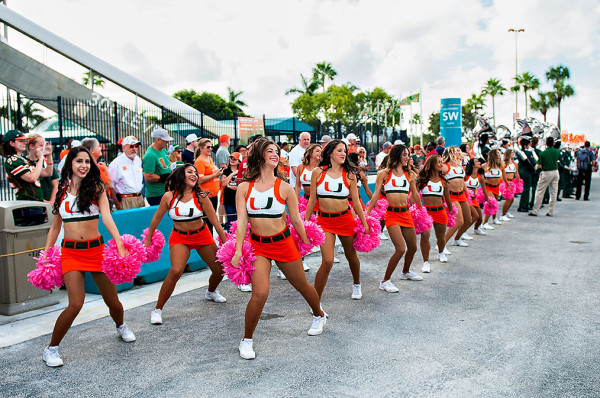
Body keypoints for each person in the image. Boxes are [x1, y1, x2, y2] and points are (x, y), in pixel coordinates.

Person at [232, 137, 326, 360]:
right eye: (270, 151)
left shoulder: (285, 188)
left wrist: (306, 239)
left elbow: (295, 218)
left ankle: (319, 314)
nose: (275, 154)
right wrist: (237, 250)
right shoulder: (244, 187)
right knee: (260, 293)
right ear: (259, 156)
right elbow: (242, 221)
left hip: (283, 244)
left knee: (302, 285)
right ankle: (246, 340)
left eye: (277, 151)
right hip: (258, 247)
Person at [42, 147, 136, 367]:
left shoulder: (96, 187)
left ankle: (121, 325)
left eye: (87, 161)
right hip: (71, 253)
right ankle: (51, 348)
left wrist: (119, 243)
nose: (83, 165)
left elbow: (107, 217)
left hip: (96, 251)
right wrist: (47, 252)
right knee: (75, 303)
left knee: (112, 301)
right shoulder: (62, 189)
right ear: (70, 164)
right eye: (78, 161)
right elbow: (55, 228)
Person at [145, 164, 228, 325]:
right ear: (180, 175)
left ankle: (211, 292)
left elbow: (215, 221)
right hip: (179, 237)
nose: (194, 175)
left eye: (196, 173)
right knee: (176, 270)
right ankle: (157, 309)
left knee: (220, 269)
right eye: (190, 172)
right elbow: (156, 219)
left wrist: (227, 242)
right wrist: (148, 238)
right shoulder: (169, 197)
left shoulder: (202, 196)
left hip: (202, 235)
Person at [304, 139, 370, 301]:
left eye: (344, 151)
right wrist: (306, 223)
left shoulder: (349, 174)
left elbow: (355, 202)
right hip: (324, 222)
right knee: (327, 261)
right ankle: (315, 300)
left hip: (345, 220)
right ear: (330, 153)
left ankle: (356, 283)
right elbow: (312, 200)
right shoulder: (318, 172)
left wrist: (365, 223)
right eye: (339, 150)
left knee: (351, 255)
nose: (343, 154)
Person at [366, 144, 423, 289]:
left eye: (408, 155)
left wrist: (421, 210)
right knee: (400, 248)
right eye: (404, 154)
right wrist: (366, 215)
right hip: (391, 214)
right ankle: (385, 281)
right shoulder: (384, 173)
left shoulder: (409, 173)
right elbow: (376, 195)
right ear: (397, 155)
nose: (407, 158)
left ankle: (405, 272)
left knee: (413, 247)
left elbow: (415, 193)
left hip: (406, 213)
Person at [416, 154, 454, 264]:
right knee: (425, 235)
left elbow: (447, 198)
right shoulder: (422, 179)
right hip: (426, 212)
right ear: (432, 164)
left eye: (442, 161)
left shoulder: (444, 181)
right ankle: (426, 262)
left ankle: (441, 252)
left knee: (441, 237)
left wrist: (451, 211)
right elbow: (414, 194)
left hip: (440, 211)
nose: (441, 164)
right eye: (439, 162)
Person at [2, 130, 53, 202]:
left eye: (24, 141)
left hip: (36, 203)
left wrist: (49, 155)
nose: (25, 143)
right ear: (11, 143)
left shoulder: (24, 160)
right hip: (27, 204)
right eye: (20, 141)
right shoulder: (13, 160)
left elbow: (48, 173)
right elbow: (32, 178)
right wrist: (41, 158)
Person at [442, 146, 472, 247]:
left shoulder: (459, 167)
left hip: (462, 195)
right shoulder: (445, 166)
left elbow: (462, 181)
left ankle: (457, 239)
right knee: (459, 221)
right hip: (451, 196)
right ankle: (441, 244)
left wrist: (467, 192)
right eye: (457, 151)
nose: (459, 153)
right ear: (450, 153)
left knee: (468, 220)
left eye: (459, 151)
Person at [81, 138, 120, 209]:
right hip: (98, 204)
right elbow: (108, 184)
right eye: (98, 146)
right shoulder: (95, 168)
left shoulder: (87, 167)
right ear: (91, 150)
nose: (101, 148)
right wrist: (106, 171)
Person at [194, 138, 222, 233]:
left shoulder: (209, 158)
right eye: (208, 147)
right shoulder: (200, 161)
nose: (210, 149)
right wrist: (215, 175)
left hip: (213, 194)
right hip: (206, 195)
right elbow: (199, 180)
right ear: (201, 148)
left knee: (212, 220)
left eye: (211, 147)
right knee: (208, 221)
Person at [108, 136, 145, 209]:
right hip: (126, 199)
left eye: (136, 146)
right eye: (131, 146)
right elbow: (110, 185)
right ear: (123, 148)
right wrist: (117, 203)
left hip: (140, 198)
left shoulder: (138, 160)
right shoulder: (116, 164)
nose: (134, 148)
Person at [529, 137, 561, 216]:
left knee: (540, 191)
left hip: (546, 172)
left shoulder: (543, 153)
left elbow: (539, 165)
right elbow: (558, 159)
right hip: (555, 172)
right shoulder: (557, 151)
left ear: (546, 143)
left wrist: (535, 168)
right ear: (553, 143)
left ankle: (535, 210)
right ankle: (551, 211)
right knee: (554, 192)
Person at [27, 134, 58, 206]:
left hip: (49, 200)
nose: (43, 148)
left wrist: (51, 202)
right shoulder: (25, 162)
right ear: (31, 146)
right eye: (41, 145)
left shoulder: (46, 162)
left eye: (44, 145)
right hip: (34, 202)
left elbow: (55, 184)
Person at [143, 129, 173, 205]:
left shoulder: (163, 150)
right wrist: (163, 178)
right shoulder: (150, 155)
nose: (167, 142)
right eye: (165, 140)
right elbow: (148, 176)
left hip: (165, 190)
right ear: (158, 140)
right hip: (156, 194)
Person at [482, 149, 510, 229]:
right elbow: (480, 177)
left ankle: (494, 219)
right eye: (497, 153)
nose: (499, 154)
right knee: (491, 203)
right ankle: (485, 223)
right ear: (493, 155)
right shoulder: (485, 166)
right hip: (488, 187)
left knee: (495, 203)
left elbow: (504, 178)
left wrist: (508, 186)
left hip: (496, 187)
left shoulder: (500, 166)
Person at [464, 157, 489, 236]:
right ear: (472, 165)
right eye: (477, 161)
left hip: (473, 199)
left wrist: (488, 200)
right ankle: (463, 231)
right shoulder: (466, 175)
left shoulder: (480, 177)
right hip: (465, 198)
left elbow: (484, 190)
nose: (479, 163)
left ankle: (476, 229)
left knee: (480, 218)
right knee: (474, 216)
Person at [221, 152, 241, 229]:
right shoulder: (226, 171)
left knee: (238, 220)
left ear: (239, 161)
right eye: (231, 158)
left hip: (238, 198)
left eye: (234, 159)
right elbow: (223, 184)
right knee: (230, 221)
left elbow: (241, 186)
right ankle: (231, 239)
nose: (232, 160)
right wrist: (232, 174)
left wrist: (229, 186)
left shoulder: (241, 171)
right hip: (228, 198)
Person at [500, 149, 520, 220]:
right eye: (511, 153)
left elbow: (516, 173)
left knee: (512, 199)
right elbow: (502, 174)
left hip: (512, 182)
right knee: (508, 199)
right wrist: (504, 183)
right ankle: (503, 215)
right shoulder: (504, 164)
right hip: (506, 182)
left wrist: (518, 182)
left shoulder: (515, 164)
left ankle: (506, 211)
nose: (513, 154)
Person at [529, 136, 542, 210]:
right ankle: (533, 202)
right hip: (537, 170)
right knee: (535, 187)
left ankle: (529, 203)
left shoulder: (529, 151)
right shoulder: (539, 151)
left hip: (530, 170)